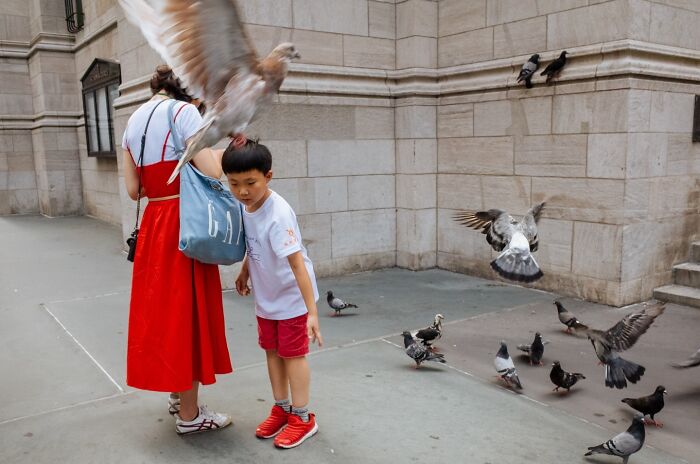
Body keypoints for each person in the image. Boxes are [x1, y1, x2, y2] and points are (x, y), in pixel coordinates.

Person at [121, 65, 233, 435]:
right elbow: (210, 171)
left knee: (167, 311)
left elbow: (134, 189)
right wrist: (219, 148)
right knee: (188, 314)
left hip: (156, 222)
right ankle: (189, 415)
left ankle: (176, 395)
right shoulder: (184, 113)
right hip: (185, 220)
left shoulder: (133, 120)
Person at [222, 138, 323, 449]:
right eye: (234, 183)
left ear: (268, 176)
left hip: (292, 300)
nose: (242, 191)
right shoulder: (249, 207)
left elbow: (297, 264)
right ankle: (282, 408)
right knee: (271, 352)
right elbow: (255, 248)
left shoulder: (278, 214)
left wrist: (312, 312)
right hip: (267, 299)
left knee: (293, 356)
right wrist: (244, 270)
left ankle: (304, 418)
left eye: (250, 182)